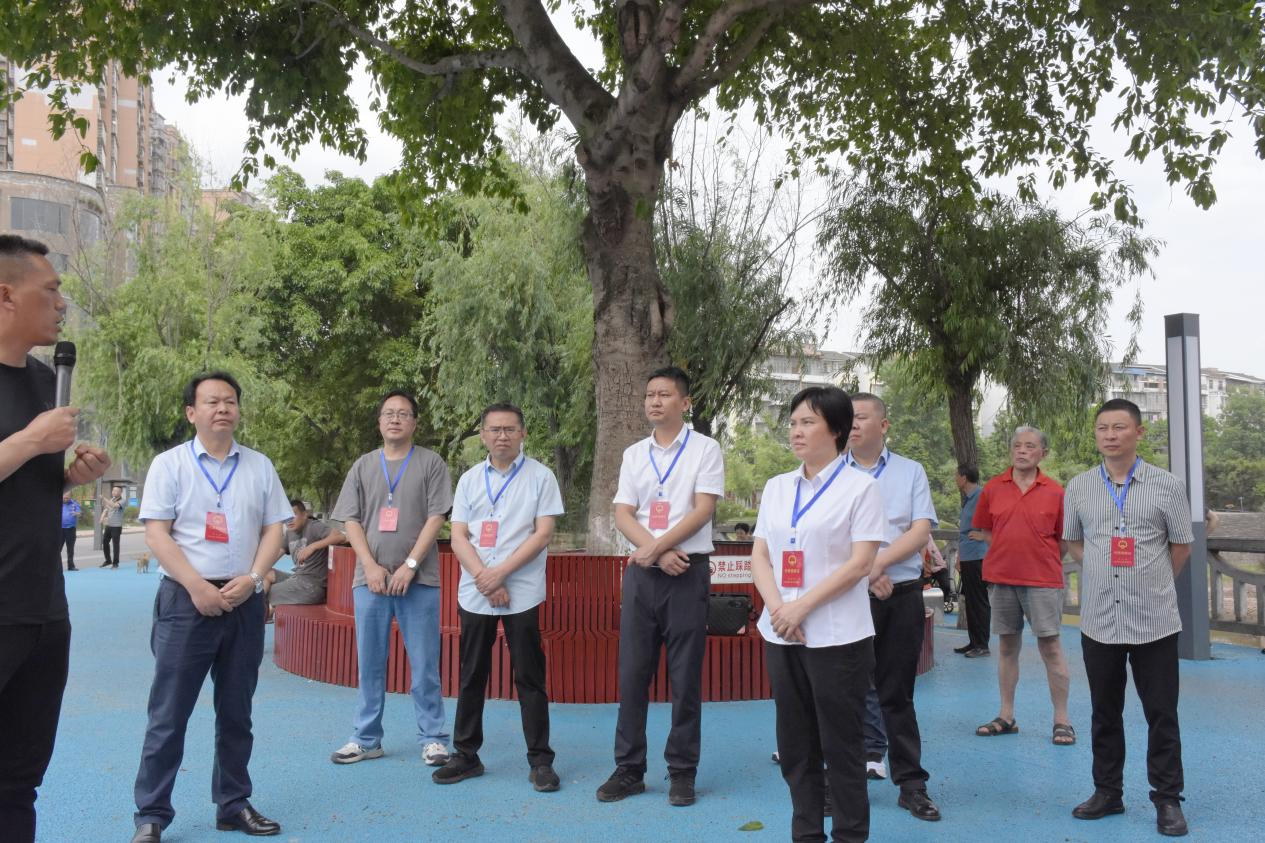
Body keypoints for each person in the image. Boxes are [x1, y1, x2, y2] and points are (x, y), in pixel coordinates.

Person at [129, 371, 290, 843]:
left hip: (244, 599)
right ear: (191, 412)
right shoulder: (170, 465)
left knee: (237, 711)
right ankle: (151, 814)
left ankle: (233, 804)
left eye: (230, 401)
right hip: (186, 601)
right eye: (212, 401)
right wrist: (196, 585)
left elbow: (275, 530)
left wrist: (255, 579)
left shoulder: (259, 466)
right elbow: (157, 533)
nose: (223, 409)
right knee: (169, 713)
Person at [0, 234, 111, 843]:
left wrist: (69, 477)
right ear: (6, 296)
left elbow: (24, 487)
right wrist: (29, 442)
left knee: (19, 782)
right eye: (51, 290)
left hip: (43, 611)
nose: (63, 303)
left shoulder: (47, 381)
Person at [752, 386, 885, 842]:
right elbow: (760, 555)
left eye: (808, 422)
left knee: (842, 747)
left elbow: (860, 563)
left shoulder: (861, 488)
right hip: (782, 634)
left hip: (837, 637)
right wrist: (779, 610)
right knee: (795, 746)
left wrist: (802, 607)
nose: (796, 431)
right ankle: (806, 833)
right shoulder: (777, 487)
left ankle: (850, 834)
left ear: (837, 430)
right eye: (793, 423)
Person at [1063, 398, 1193, 837]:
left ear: (1138, 432)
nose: (1110, 435)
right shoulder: (1079, 486)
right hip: (1100, 620)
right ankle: (1108, 792)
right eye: (1103, 427)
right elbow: (1074, 541)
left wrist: (1152, 581)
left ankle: (1167, 798)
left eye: (1119, 427)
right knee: (1104, 712)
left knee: (1161, 713)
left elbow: (1181, 545)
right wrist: (1101, 569)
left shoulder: (1167, 485)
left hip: (1154, 620)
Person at [597, 366, 724, 807]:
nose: (654, 401)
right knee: (632, 674)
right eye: (650, 394)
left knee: (684, 677)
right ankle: (629, 769)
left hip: (687, 571)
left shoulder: (705, 449)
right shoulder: (635, 454)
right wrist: (654, 552)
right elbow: (623, 513)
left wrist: (659, 548)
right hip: (643, 574)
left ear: (685, 403)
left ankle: (682, 771)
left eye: (664, 394)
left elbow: (703, 509)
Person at [432, 403, 564, 791]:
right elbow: (459, 536)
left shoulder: (541, 477)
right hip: (476, 591)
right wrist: (485, 578)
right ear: (483, 435)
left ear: (523, 433)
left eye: (509, 429)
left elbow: (542, 534)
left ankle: (540, 760)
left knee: (529, 675)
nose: (501, 436)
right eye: (494, 429)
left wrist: (500, 574)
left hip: (521, 590)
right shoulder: (470, 479)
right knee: (471, 673)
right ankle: (466, 755)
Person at [329, 390, 453, 768]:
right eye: (388, 413)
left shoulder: (431, 463)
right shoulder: (363, 466)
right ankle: (366, 738)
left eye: (403, 413)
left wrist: (410, 565)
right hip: (371, 581)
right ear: (379, 422)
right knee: (369, 663)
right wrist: (369, 565)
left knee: (425, 663)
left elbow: (437, 517)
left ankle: (433, 738)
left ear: (415, 422)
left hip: (419, 580)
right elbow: (350, 520)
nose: (395, 419)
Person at [846, 393, 941, 822]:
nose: (852, 425)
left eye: (861, 417)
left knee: (897, 694)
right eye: (847, 418)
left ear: (883, 425)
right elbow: (827, 534)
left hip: (900, 595)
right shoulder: (832, 471)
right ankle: (842, 782)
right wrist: (865, 573)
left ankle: (912, 785)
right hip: (847, 597)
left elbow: (920, 531)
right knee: (844, 692)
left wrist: (878, 564)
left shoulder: (910, 471)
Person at [970, 427, 1074, 746]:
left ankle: (1062, 720)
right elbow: (987, 531)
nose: (1022, 451)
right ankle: (1007, 715)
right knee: (1006, 647)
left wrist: (1038, 557)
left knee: (1051, 647)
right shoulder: (993, 488)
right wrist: (1009, 550)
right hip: (1002, 578)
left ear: (1043, 453)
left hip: (1043, 580)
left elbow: (1064, 540)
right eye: (1017, 446)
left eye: (1030, 446)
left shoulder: (1056, 492)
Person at [267, 499, 345, 607]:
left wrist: (313, 546)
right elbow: (274, 556)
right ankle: (265, 609)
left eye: (293, 515)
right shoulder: (289, 533)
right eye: (286, 517)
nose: (289, 520)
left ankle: (263, 609)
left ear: (304, 515)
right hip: (297, 579)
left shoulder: (313, 526)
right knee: (265, 574)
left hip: (313, 586)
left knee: (268, 592)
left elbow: (340, 536)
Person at [953, 464, 990, 656]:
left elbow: (997, 519)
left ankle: (982, 644)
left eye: (956, 475)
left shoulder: (982, 496)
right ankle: (974, 641)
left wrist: (985, 536)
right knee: (970, 601)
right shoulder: (968, 499)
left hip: (977, 556)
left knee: (979, 601)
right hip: (968, 555)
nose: (955, 479)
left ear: (964, 477)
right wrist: (960, 557)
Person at [100, 484, 125, 568]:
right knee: (105, 542)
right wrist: (102, 518)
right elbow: (106, 510)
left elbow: (114, 505)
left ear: (121, 492)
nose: (114, 492)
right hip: (109, 525)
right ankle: (108, 560)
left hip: (116, 526)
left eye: (117, 491)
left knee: (115, 544)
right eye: (113, 490)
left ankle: (115, 563)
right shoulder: (111, 499)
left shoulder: (122, 501)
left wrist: (104, 498)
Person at [61, 492, 82, 572]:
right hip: (60, 529)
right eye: (64, 498)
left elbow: (79, 513)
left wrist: (76, 513)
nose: (65, 499)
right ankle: (57, 566)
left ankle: (71, 566)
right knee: (57, 549)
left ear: (70, 497)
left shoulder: (75, 504)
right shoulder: (59, 502)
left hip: (70, 529)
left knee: (70, 549)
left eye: (67, 498)